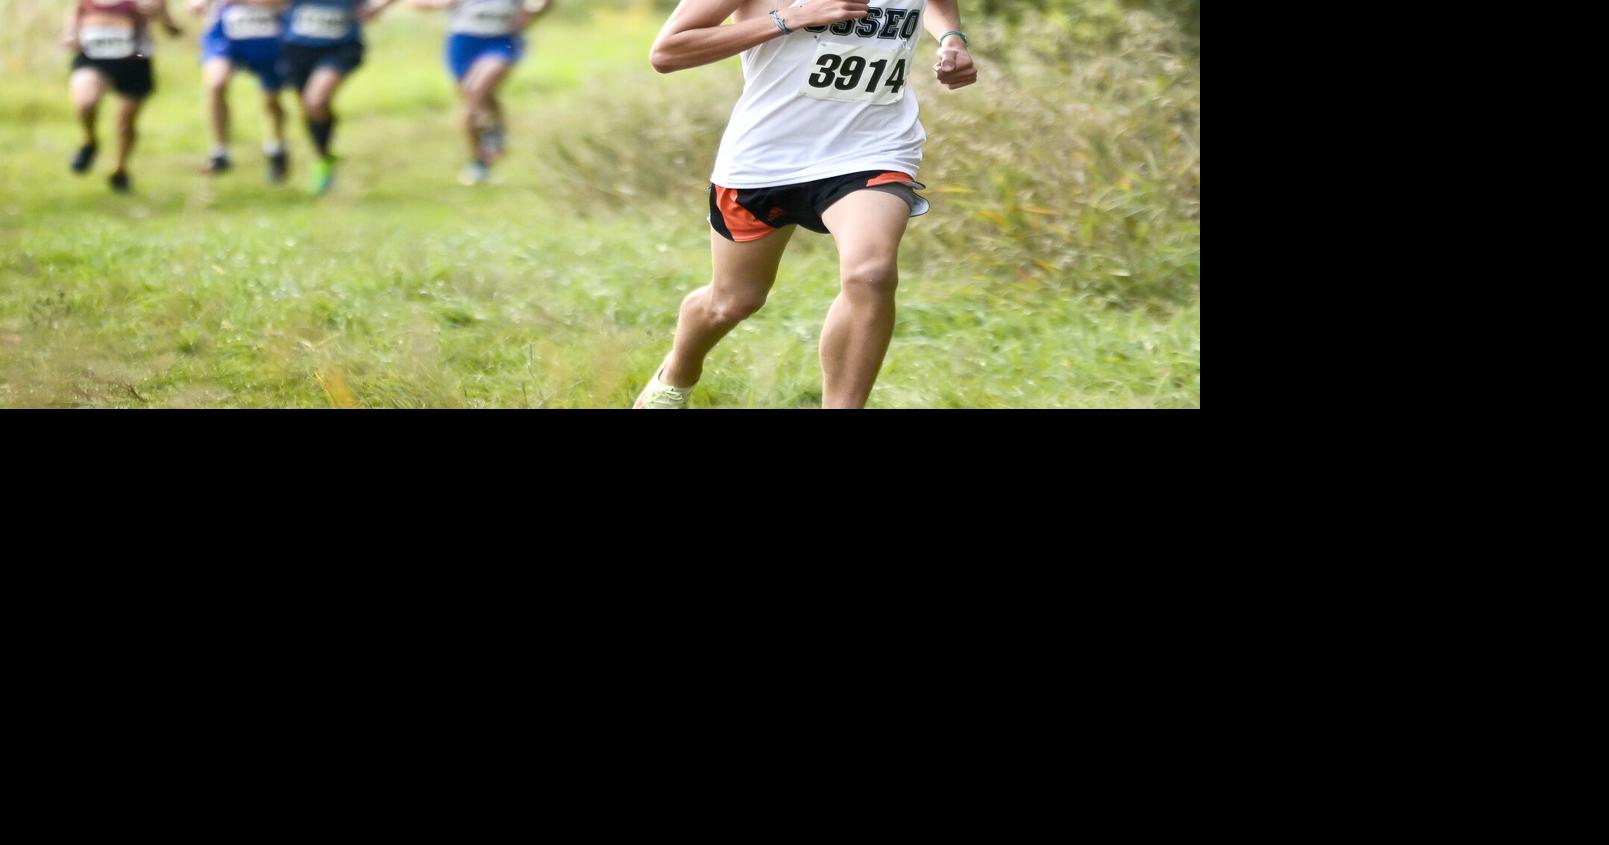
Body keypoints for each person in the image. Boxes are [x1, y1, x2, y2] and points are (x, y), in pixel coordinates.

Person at [634, 0, 977, 409]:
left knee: (871, 273)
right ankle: (677, 374)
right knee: (733, 301)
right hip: (765, 160)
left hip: (873, 147)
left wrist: (951, 38)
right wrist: (789, 18)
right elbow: (668, 52)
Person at [411, 0, 554, 185]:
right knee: (475, 101)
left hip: (501, 39)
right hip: (463, 40)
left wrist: (531, 15)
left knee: (477, 90)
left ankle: (492, 143)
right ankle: (480, 159)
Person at [277, 0, 399, 194]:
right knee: (309, 109)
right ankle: (323, 157)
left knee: (316, 101)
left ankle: (323, 160)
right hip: (297, 48)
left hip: (340, 48)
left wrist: (378, 8)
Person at [64, 0, 183, 193]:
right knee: (85, 102)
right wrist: (70, 34)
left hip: (134, 60)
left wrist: (160, 15)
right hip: (92, 55)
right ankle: (90, 142)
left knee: (125, 123)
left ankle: (119, 169)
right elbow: (76, 10)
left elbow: (173, 31)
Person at [191, 0, 290, 182]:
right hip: (226, 33)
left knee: (271, 100)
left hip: (268, 36)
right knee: (216, 84)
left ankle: (277, 149)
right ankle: (220, 153)